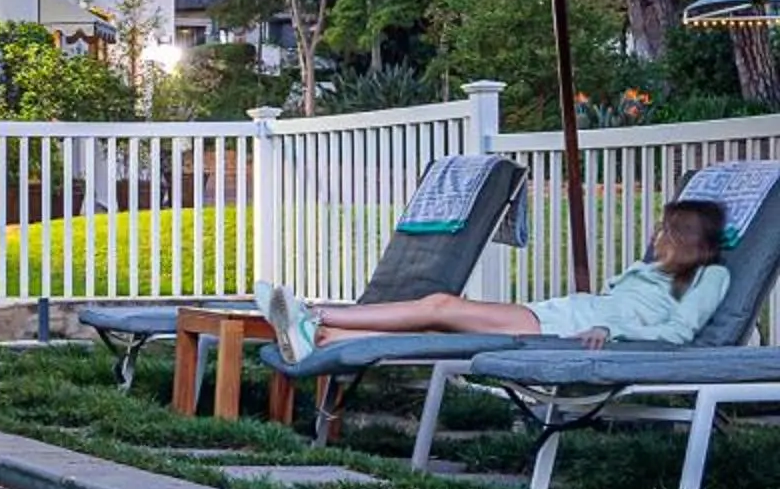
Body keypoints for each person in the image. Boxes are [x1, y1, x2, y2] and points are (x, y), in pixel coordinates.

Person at [253, 197, 731, 368]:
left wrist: (616, 333)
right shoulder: (651, 272)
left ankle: (315, 315)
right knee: (435, 332)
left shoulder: (710, 276)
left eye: (664, 229)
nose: (654, 235)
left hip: (563, 332)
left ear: (687, 239)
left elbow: (678, 335)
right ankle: (323, 337)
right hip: (565, 315)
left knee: (440, 305)